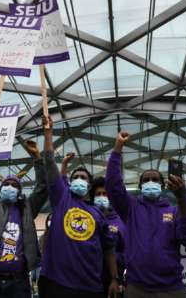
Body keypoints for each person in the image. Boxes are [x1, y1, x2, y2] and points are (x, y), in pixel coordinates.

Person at [105, 132, 186, 298]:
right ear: (140, 186)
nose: (150, 183)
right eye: (146, 180)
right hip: (137, 288)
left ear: (162, 185)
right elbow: (113, 185)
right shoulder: (131, 207)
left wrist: (182, 199)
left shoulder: (174, 210)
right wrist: (118, 148)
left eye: (155, 180)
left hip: (172, 287)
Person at [38, 115, 119, 298]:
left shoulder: (97, 213)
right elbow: (49, 163)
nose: (79, 180)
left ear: (89, 186)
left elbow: (108, 248)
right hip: (57, 284)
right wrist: (48, 133)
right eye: (76, 178)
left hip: (90, 287)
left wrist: (114, 279)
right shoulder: (61, 197)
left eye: (83, 178)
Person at [0, 135, 48, 298]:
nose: (10, 187)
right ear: (1, 189)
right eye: (6, 184)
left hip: (18, 284)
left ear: (19, 191)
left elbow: (42, 188)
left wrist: (37, 158)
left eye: (14, 185)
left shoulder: (27, 208)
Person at [90, 175, 126, 297]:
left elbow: (126, 249)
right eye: (98, 194)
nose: (101, 197)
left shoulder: (120, 220)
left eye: (105, 194)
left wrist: (119, 278)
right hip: (90, 277)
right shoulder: (88, 217)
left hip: (114, 278)